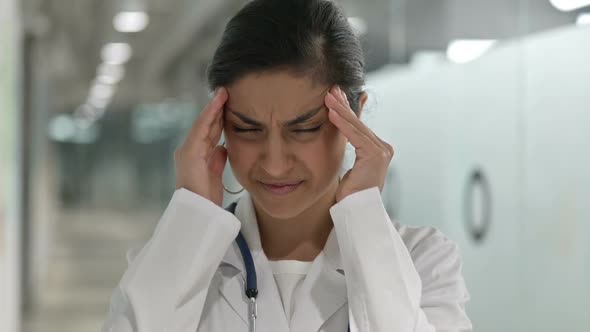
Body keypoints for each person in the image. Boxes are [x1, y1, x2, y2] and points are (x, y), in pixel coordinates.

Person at [102, 0, 472, 331]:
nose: (275, 165)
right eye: (247, 129)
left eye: (305, 129)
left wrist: (363, 214)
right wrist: (193, 209)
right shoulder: (178, 257)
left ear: (354, 117)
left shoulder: (423, 260)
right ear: (219, 126)